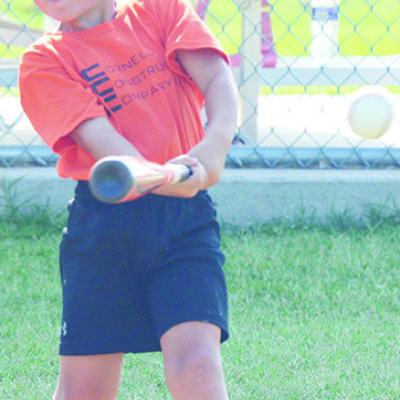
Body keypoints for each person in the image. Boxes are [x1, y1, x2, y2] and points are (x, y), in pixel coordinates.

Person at [19, 0, 238, 399]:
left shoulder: (160, 10)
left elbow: (216, 78)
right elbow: (113, 155)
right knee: (84, 391)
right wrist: (167, 177)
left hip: (184, 223)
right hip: (103, 224)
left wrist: (215, 145)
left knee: (197, 366)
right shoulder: (44, 62)